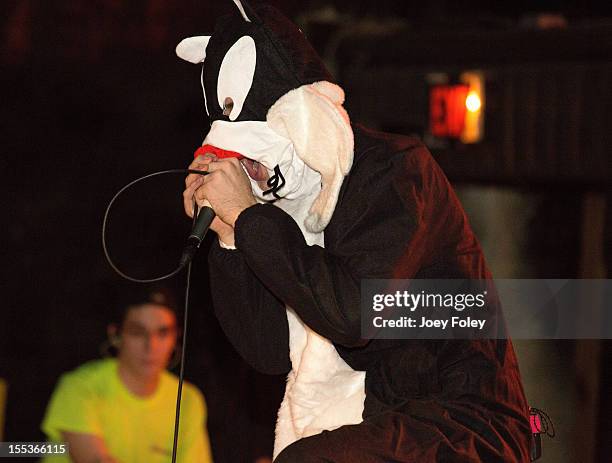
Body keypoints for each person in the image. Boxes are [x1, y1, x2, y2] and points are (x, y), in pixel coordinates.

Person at [178, 1, 532, 461]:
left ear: (298, 123)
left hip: (463, 425)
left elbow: (354, 314)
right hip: (376, 423)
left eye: (255, 160)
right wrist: (229, 237)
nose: (253, 178)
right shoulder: (285, 214)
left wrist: (249, 217)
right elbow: (266, 352)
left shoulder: (393, 171)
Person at [40, 285, 213, 463]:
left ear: (176, 337)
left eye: (162, 333)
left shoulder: (187, 399)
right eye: (138, 332)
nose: (151, 346)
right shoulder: (80, 386)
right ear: (116, 335)